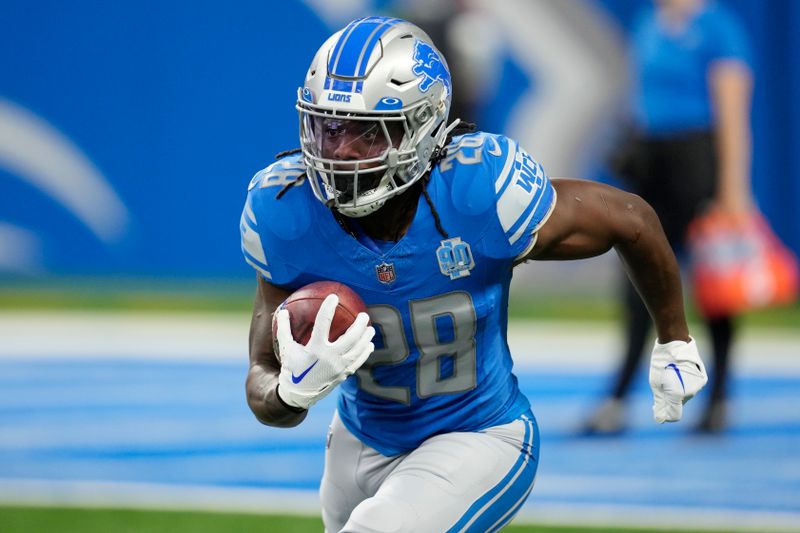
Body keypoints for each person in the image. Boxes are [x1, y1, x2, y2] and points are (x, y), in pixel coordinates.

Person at [240, 16, 707, 532]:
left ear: (422, 126)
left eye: (367, 132)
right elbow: (262, 384)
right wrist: (292, 392)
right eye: (329, 127)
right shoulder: (285, 209)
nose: (340, 151)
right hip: (359, 439)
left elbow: (631, 219)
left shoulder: (477, 191)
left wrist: (675, 340)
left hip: (480, 436)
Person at [584, 0, 754, 435]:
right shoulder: (650, 23)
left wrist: (733, 188)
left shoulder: (718, 28)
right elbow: (641, 94)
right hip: (651, 161)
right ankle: (618, 398)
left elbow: (733, 112)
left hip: (696, 160)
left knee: (713, 286)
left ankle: (718, 400)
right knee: (639, 279)